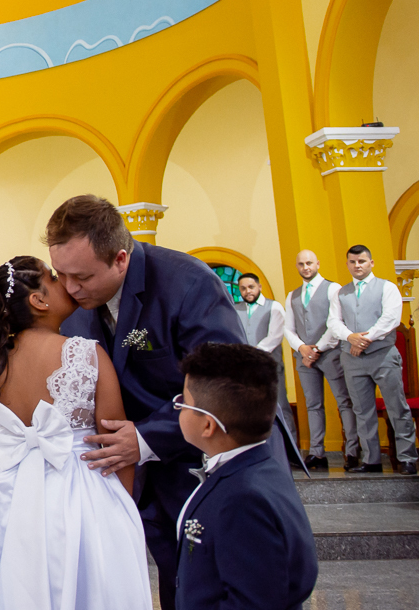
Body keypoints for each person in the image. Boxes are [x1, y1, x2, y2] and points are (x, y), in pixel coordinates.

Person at [46, 195, 273, 610]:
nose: (69, 288)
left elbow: (223, 380)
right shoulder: (75, 300)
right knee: (173, 583)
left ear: (120, 259)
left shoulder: (187, 283)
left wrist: (146, 439)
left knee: (211, 587)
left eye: (81, 276)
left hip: (200, 464)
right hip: (133, 474)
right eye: (60, 274)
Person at [0, 257, 151, 609]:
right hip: (81, 496)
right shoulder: (86, 354)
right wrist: (117, 507)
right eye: (53, 278)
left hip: (0, 493)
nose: (64, 281)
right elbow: (114, 441)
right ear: (39, 301)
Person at [175, 343, 318, 610]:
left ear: (208, 425)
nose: (178, 408)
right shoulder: (258, 468)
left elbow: (254, 600)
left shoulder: (243, 500)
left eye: (183, 403)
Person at [328, 245, 418, 475]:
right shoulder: (341, 293)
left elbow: (391, 318)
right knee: (362, 411)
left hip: (382, 355)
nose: (357, 265)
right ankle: (371, 460)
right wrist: (350, 337)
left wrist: (363, 339)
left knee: (397, 408)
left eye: (362, 261)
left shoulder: (387, 287)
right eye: (353, 262)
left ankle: (407, 457)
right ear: (347, 264)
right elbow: (333, 322)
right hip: (352, 359)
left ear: (371, 262)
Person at [283, 249, 360, 470]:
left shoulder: (333, 289)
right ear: (297, 266)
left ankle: (352, 451)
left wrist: (316, 349)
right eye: (301, 264)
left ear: (317, 263)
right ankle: (317, 453)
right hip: (304, 357)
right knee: (313, 405)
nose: (305, 267)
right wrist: (302, 349)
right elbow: (289, 329)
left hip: (331, 353)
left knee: (344, 401)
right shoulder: (292, 295)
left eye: (309, 263)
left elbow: (335, 323)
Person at [235, 272, 297, 445]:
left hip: (270, 368)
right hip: (245, 371)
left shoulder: (274, 307)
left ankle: (290, 449)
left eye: (251, 287)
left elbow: (274, 337)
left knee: (280, 408)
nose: (248, 291)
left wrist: (251, 354)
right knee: (249, 411)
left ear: (259, 287)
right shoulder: (235, 309)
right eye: (243, 288)